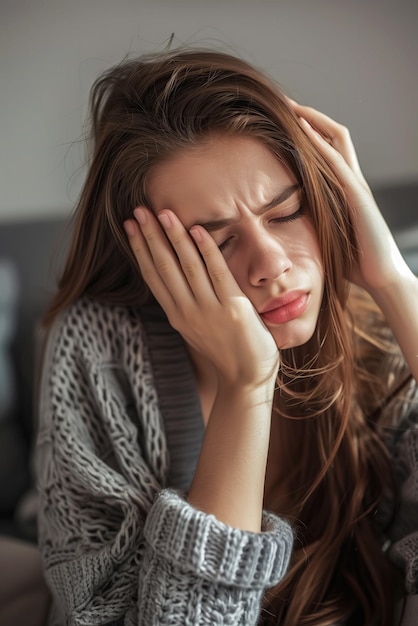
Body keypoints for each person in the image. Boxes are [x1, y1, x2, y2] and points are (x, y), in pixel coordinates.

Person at [35, 48, 418, 626]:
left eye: (287, 213)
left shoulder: (378, 325)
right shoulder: (98, 353)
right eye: (215, 244)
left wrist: (394, 281)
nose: (270, 264)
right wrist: (247, 388)